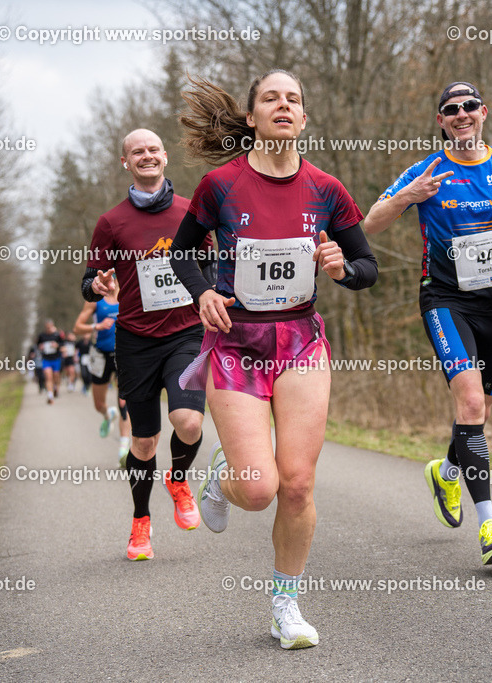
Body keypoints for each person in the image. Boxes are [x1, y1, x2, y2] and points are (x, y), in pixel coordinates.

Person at [170, 70, 377, 649]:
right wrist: (203, 291)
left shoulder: (327, 191)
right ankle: (222, 477)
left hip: (301, 343)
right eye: (271, 98)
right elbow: (184, 252)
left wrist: (341, 267)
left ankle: (286, 606)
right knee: (258, 489)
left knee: (297, 484)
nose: (283, 106)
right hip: (235, 343)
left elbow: (368, 270)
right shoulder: (220, 185)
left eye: (293, 99)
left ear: (303, 119)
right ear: (253, 117)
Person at [364, 82, 492, 565]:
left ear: (483, 113)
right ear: (441, 121)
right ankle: (490, 526)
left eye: (468, 107)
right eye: (450, 110)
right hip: (445, 299)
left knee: (480, 411)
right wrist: (407, 196)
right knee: (470, 401)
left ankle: (447, 471)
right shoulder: (426, 171)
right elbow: (368, 224)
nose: (461, 114)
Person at [80, 129, 214, 562]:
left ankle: (178, 479)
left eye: (154, 149)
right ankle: (141, 523)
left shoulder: (191, 211)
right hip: (135, 340)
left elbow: (211, 263)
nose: (147, 156)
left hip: (186, 333)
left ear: (165, 157)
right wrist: (97, 284)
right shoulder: (111, 222)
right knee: (143, 443)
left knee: (189, 422)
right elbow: (88, 282)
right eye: (137, 151)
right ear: (126, 162)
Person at [74, 280, 131, 461]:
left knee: (124, 402)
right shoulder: (95, 299)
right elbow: (77, 327)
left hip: (123, 353)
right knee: (98, 404)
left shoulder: (127, 293)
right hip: (100, 355)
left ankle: (124, 449)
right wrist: (96, 327)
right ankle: (108, 414)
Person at [35, 320, 65, 404]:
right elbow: (37, 345)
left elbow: (63, 345)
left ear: (52, 325)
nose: (48, 328)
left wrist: (57, 345)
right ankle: (50, 395)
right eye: (47, 327)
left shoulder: (57, 335)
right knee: (48, 377)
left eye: (49, 327)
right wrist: (40, 347)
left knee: (56, 376)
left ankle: (56, 388)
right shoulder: (42, 335)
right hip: (46, 359)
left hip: (56, 359)